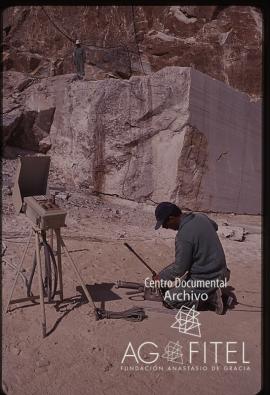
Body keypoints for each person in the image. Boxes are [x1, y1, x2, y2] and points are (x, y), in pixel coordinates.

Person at [154, 202, 230, 314]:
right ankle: (212, 291)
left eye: (165, 224)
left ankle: (210, 298)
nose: (165, 227)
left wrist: (161, 277)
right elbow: (215, 226)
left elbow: (179, 269)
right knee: (179, 286)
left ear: (172, 218)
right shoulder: (200, 217)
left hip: (207, 279)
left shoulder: (183, 236)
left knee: (169, 299)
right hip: (223, 273)